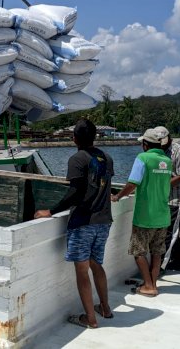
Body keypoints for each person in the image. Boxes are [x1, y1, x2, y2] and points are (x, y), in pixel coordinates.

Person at [34, 119, 115, 329]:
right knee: (97, 264)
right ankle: (105, 308)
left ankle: (90, 318)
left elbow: (76, 192)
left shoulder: (77, 159)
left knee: (82, 270)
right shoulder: (107, 157)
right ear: (95, 137)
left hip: (83, 221)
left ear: (74, 138)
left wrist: (50, 211)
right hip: (104, 220)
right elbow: (104, 188)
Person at [111, 128, 172, 297]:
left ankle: (148, 285)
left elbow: (132, 183)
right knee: (157, 251)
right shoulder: (167, 161)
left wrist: (117, 196)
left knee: (138, 251)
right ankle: (153, 284)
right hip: (163, 214)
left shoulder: (143, 158)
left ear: (145, 144)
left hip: (145, 215)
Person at [153, 126, 180, 272]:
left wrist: (162, 185)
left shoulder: (179, 151)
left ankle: (161, 265)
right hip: (161, 199)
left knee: (168, 233)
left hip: (175, 199)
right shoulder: (157, 150)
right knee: (172, 232)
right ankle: (177, 262)